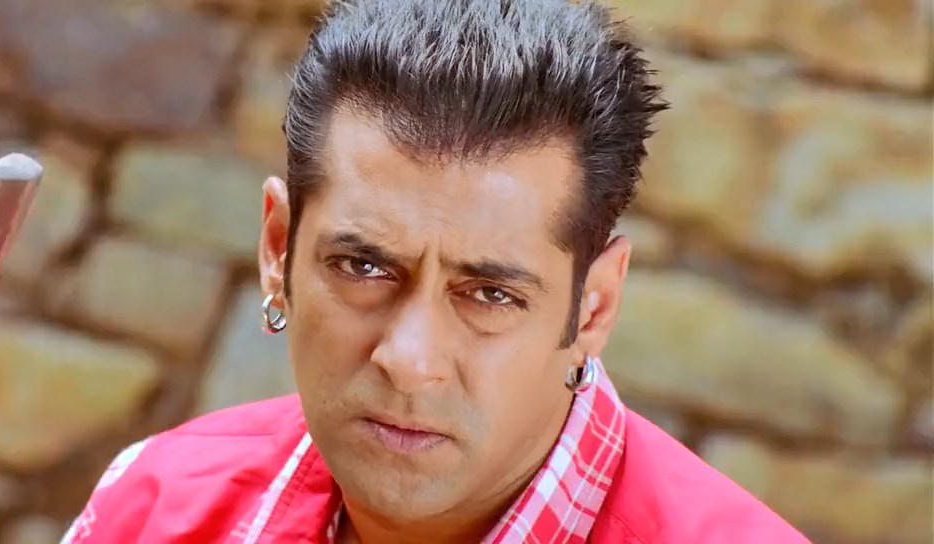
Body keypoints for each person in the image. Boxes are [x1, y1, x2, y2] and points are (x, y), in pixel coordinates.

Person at [62, 0, 810, 542]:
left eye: (490, 294)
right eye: (363, 266)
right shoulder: (156, 506)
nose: (409, 359)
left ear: (593, 308)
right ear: (278, 248)